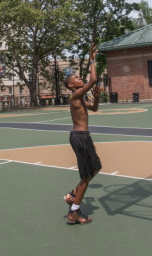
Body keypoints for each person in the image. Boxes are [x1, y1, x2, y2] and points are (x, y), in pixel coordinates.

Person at [62, 44, 101, 224]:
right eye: (77, 78)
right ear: (71, 85)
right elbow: (93, 79)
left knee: (95, 167)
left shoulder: (80, 97)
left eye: (79, 77)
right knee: (86, 177)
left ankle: (72, 195)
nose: (79, 79)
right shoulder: (75, 95)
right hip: (80, 138)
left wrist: (97, 95)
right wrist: (92, 59)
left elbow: (93, 108)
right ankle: (74, 213)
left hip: (84, 137)